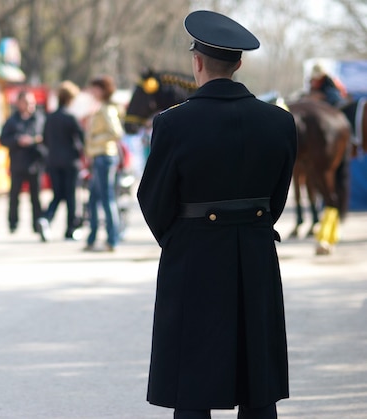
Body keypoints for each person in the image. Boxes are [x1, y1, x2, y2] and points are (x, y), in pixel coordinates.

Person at [136, 10, 297, 419]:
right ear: (239, 64)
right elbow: (277, 198)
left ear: (197, 61)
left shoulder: (173, 123)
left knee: (192, 383)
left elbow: (152, 198)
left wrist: (181, 238)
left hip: (194, 256)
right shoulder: (279, 122)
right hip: (256, 254)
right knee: (257, 381)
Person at [38, 80, 85, 241]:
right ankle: (70, 229)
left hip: (53, 161)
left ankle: (46, 218)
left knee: (57, 194)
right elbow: (82, 138)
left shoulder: (50, 117)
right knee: (71, 196)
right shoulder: (71, 117)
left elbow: (44, 140)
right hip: (70, 162)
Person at [83, 75, 123, 252]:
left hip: (104, 157)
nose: (92, 92)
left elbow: (116, 132)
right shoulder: (101, 108)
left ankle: (112, 239)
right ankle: (93, 238)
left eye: (95, 88)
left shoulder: (107, 109)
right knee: (93, 200)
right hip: (99, 157)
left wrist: (94, 139)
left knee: (106, 199)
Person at [0, 90, 46, 236]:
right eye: (26, 102)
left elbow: (45, 138)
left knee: (36, 197)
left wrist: (34, 141)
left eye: (32, 102)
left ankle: (37, 224)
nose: (29, 105)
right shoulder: (12, 120)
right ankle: (13, 223)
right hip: (18, 163)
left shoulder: (39, 119)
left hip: (34, 163)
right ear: (19, 103)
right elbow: (3, 139)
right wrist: (17, 141)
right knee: (14, 196)